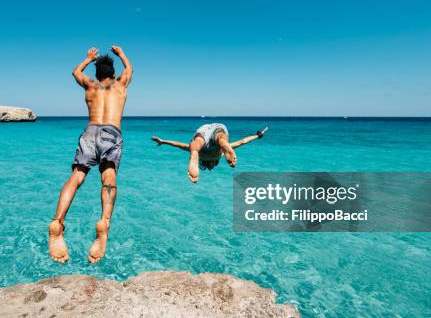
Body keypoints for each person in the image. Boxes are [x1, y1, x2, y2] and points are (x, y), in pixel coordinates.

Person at [48, 45, 133, 263]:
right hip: (111, 133)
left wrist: (88, 58)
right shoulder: (120, 84)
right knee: (109, 176)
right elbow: (130, 68)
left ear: (96, 74)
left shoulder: (90, 86)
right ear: (113, 74)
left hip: (90, 131)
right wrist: (121, 54)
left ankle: (58, 221)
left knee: (76, 176)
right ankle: (104, 221)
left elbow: (75, 73)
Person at [152, 124, 268, 183]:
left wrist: (257, 136)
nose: (212, 167)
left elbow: (242, 142)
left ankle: (199, 154)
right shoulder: (213, 155)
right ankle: (198, 153)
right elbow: (179, 145)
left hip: (212, 132)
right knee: (197, 146)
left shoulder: (220, 154)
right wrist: (164, 142)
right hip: (206, 133)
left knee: (199, 145)